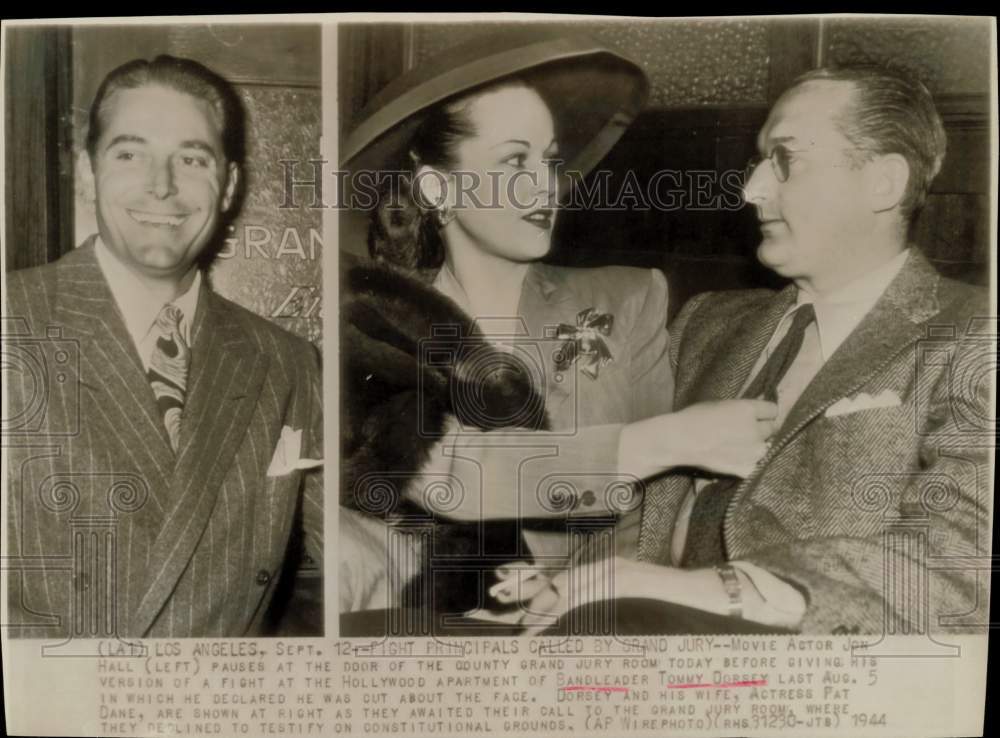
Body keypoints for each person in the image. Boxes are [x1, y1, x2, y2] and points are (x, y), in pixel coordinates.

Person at [526, 64, 992, 635]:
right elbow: (616, 496)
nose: (751, 190)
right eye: (759, 161)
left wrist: (711, 589)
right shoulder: (706, 323)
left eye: (786, 160)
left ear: (884, 182)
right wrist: (544, 577)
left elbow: (963, 562)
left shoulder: (975, 333)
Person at [338, 32, 778, 627]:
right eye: (514, 160)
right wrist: (673, 438)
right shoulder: (380, 325)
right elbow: (448, 476)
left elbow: (658, 509)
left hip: (602, 621)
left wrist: (570, 589)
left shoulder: (627, 298)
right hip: (430, 622)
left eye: (548, 161)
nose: (545, 186)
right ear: (437, 187)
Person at [4, 55, 322, 638]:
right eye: (130, 153)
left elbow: (353, 551)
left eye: (191, 158)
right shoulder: (12, 322)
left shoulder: (287, 362)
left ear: (227, 186)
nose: (162, 185)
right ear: (85, 172)